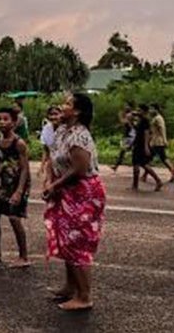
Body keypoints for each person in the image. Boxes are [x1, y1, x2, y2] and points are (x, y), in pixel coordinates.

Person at [43, 94, 105, 312]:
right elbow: (53, 158)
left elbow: (79, 169)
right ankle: (71, 287)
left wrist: (55, 185)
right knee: (65, 240)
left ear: (77, 112)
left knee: (78, 241)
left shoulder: (79, 135)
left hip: (83, 192)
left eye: (68, 104)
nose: (62, 105)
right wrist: (50, 181)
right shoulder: (62, 131)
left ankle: (84, 295)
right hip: (66, 190)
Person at [0, 107, 31, 268]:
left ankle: (23, 256)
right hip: (4, 185)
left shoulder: (19, 143)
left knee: (14, 218)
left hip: (19, 184)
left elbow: (25, 168)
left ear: (14, 122)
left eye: (6, 119)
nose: (2, 122)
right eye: (0, 118)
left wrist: (19, 191)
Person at [131, 105, 163, 192]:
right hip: (137, 144)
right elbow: (137, 131)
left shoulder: (145, 121)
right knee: (138, 164)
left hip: (141, 145)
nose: (138, 112)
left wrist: (146, 146)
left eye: (139, 110)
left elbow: (147, 133)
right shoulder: (141, 120)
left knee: (142, 164)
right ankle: (135, 185)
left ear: (144, 112)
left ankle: (158, 180)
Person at [148, 104, 174, 181]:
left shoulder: (158, 118)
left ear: (156, 109)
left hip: (158, 142)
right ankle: (145, 175)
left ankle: (173, 173)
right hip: (154, 141)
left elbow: (162, 129)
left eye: (152, 109)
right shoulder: (155, 118)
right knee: (150, 159)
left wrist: (164, 140)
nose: (150, 111)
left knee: (163, 159)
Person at [39, 105, 62, 179]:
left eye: (56, 114)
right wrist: (41, 166)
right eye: (51, 114)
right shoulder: (46, 129)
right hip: (52, 164)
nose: (53, 117)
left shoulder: (66, 128)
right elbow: (46, 150)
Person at [111, 104, 135, 173]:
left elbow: (123, 122)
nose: (125, 107)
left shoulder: (129, 115)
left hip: (130, 136)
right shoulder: (131, 115)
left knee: (123, 151)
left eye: (127, 106)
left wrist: (120, 115)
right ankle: (116, 165)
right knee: (123, 151)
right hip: (129, 136)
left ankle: (116, 165)